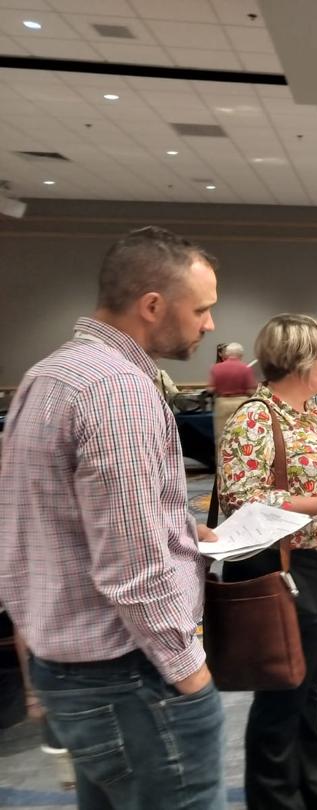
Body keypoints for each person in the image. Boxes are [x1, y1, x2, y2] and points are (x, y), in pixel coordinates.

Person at [0, 225, 226, 809]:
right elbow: (133, 565)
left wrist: (178, 529)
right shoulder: (117, 391)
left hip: (68, 665)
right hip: (129, 675)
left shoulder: (49, 374)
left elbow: (44, 524)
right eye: (201, 309)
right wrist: (190, 674)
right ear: (152, 306)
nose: (210, 325)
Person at [217, 314, 317, 810]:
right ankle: (274, 799)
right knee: (281, 697)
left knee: (308, 690)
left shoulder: (311, 413)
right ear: (301, 361)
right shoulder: (256, 418)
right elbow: (240, 500)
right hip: (287, 571)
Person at [208, 341, 256, 446]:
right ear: (240, 355)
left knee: (222, 436)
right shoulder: (245, 369)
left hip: (222, 403)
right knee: (241, 435)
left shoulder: (216, 368)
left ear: (227, 354)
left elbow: (210, 389)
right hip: (241, 403)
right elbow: (251, 391)